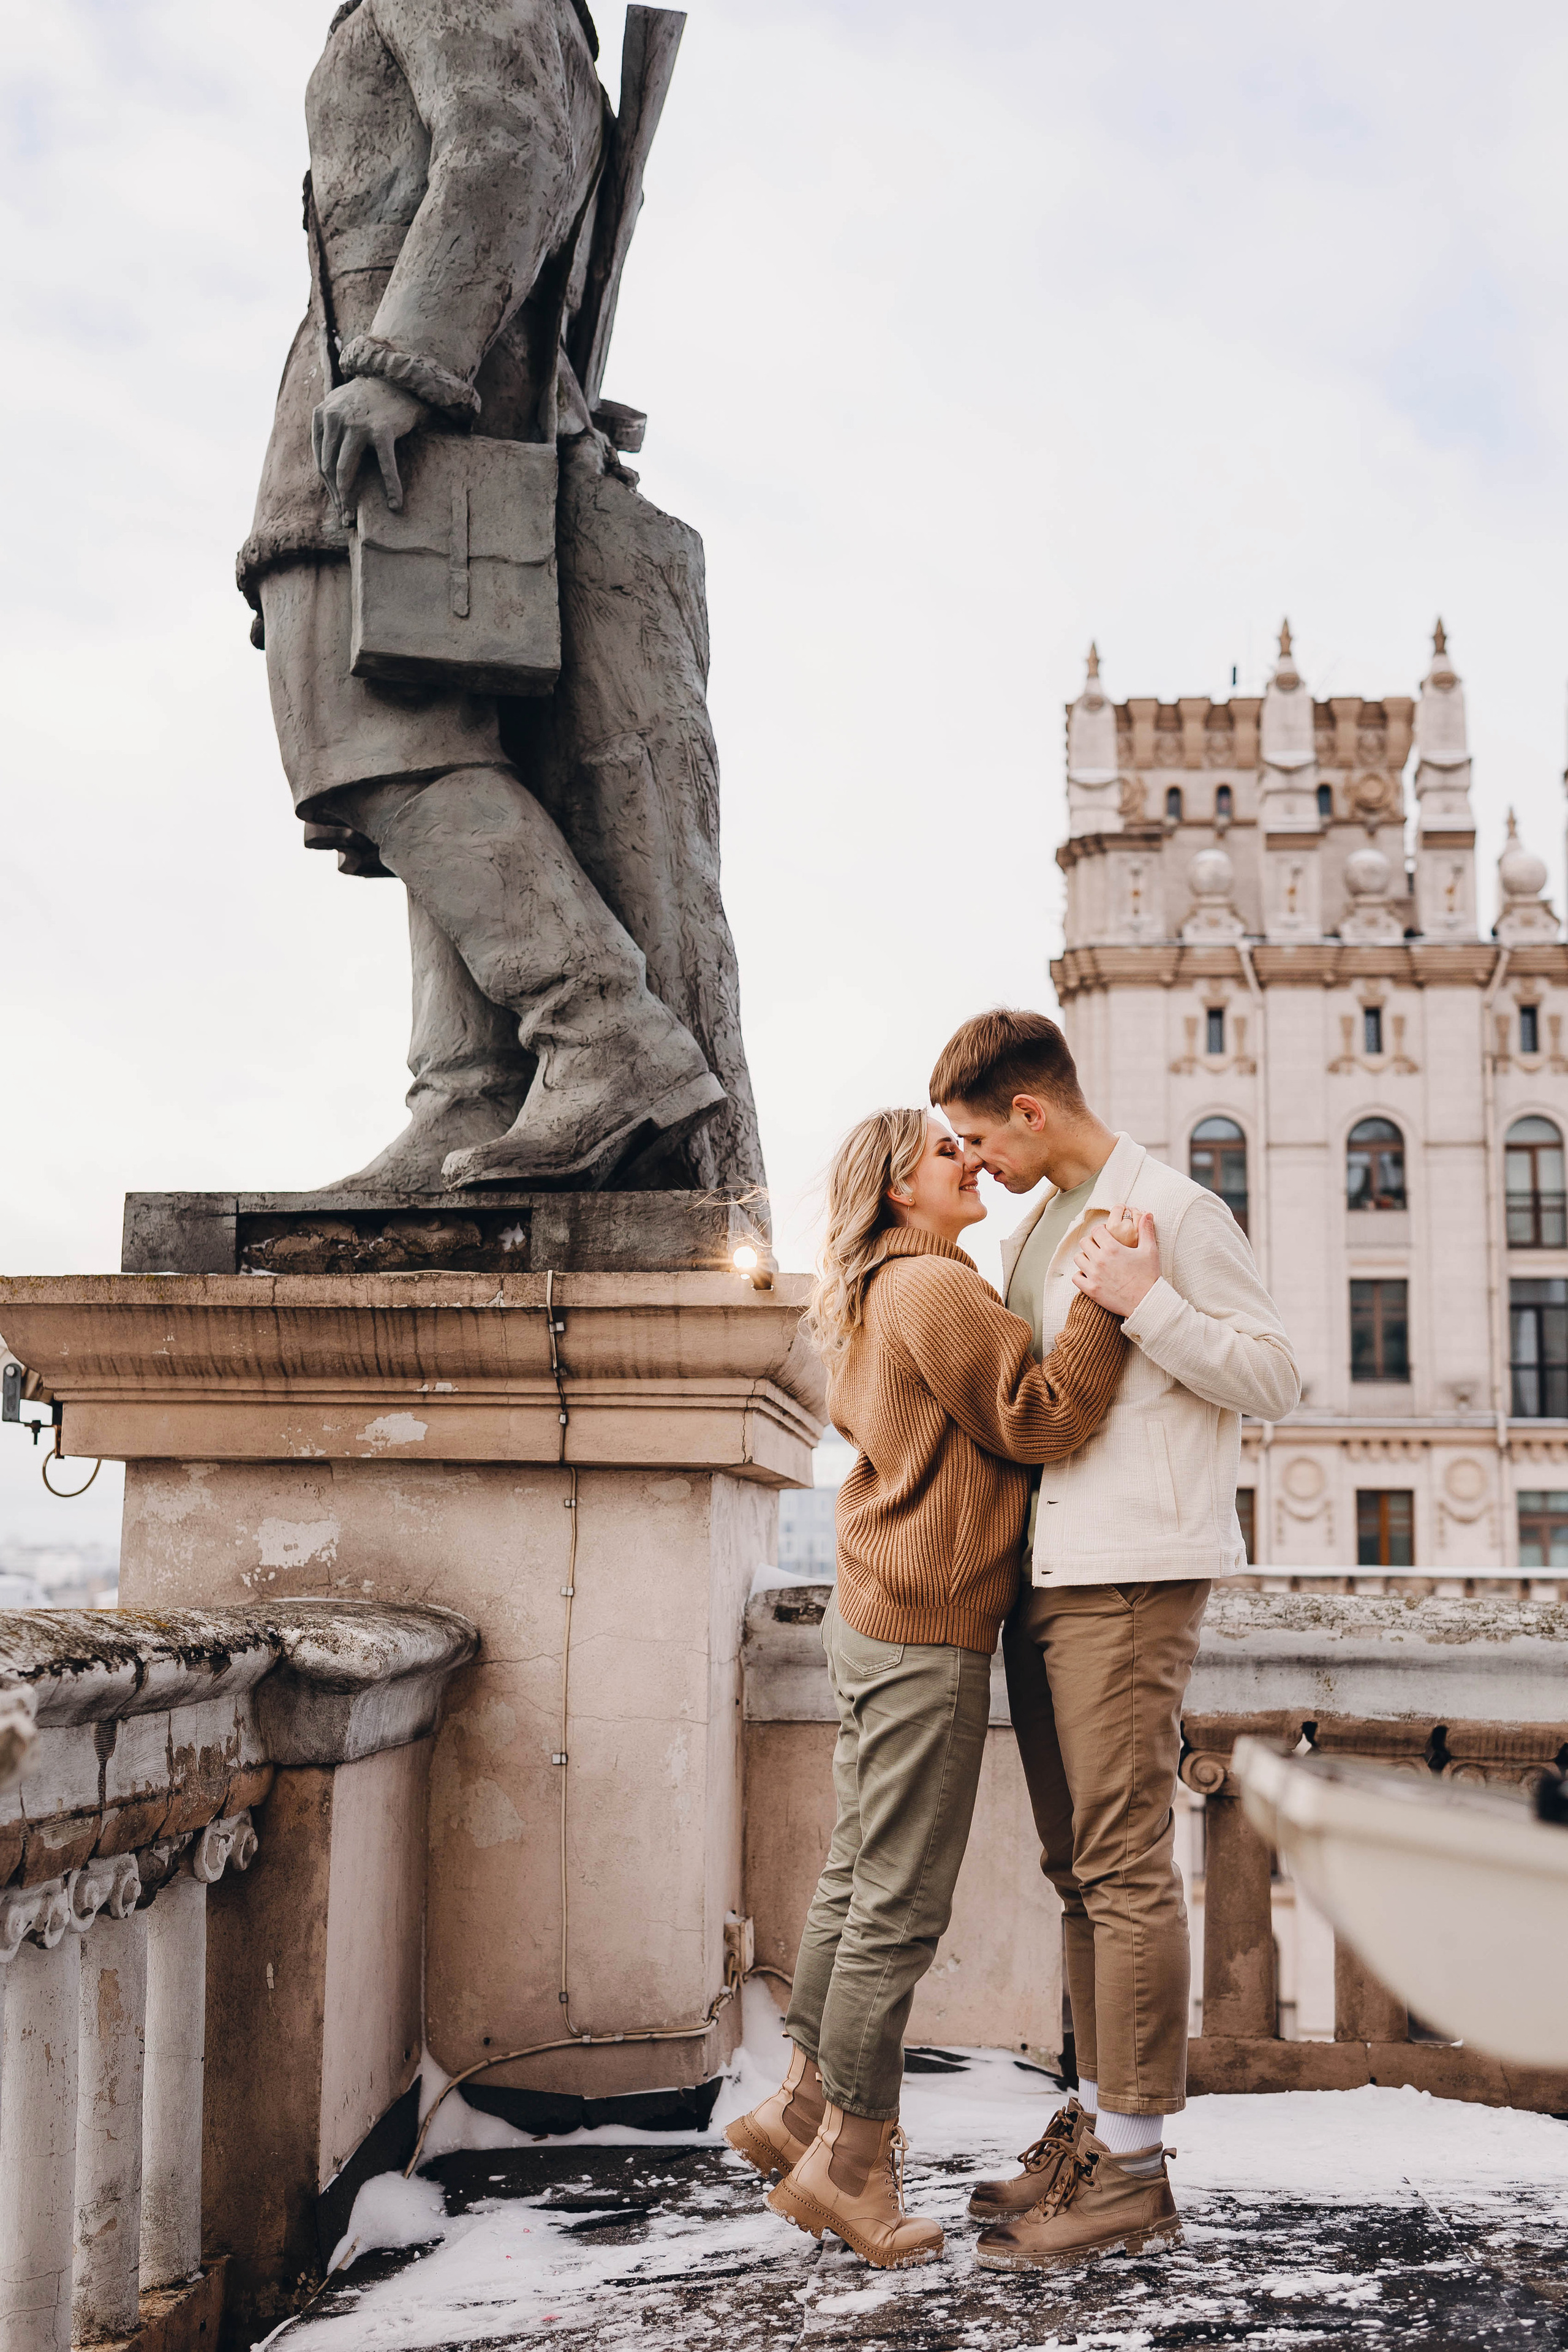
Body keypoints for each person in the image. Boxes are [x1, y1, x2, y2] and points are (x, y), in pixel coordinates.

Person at [238, 0, 763, 1194]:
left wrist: (405, 364)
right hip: (448, 411)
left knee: (372, 739)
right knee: (438, 740)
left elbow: (505, 142)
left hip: (404, 422)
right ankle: (470, 1092)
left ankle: (598, 1032)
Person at [726, 1107, 1142, 2267]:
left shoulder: (875, 1286)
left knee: (858, 1872)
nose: (970, 1162)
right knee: (897, 1907)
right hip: (925, 1626)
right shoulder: (935, 1286)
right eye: (945, 1153)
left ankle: (805, 2106)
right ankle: (853, 2169)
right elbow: (1041, 1415)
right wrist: (1109, 1308)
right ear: (902, 1190)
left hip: (875, 1609)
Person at [930, 1008, 1300, 2272]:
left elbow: (1272, 1377)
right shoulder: (1037, 1229)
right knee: (1075, 1869)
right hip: (1040, 1578)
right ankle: (1097, 2124)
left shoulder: (1173, 1215)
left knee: (1123, 1864)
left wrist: (1147, 1307)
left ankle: (1134, 2173)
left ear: (1031, 1111)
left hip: (1133, 1577)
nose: (972, 1166)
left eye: (980, 1139)